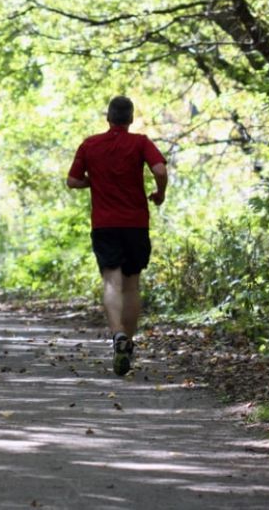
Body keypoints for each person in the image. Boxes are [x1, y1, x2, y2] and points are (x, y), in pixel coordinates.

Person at [67, 96, 168, 376]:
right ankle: (130, 342)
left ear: (107, 117)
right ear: (131, 118)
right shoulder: (140, 142)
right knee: (132, 284)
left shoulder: (90, 144)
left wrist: (94, 182)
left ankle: (117, 336)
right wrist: (160, 193)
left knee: (112, 282)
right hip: (136, 223)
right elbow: (160, 169)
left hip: (104, 224)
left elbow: (72, 181)